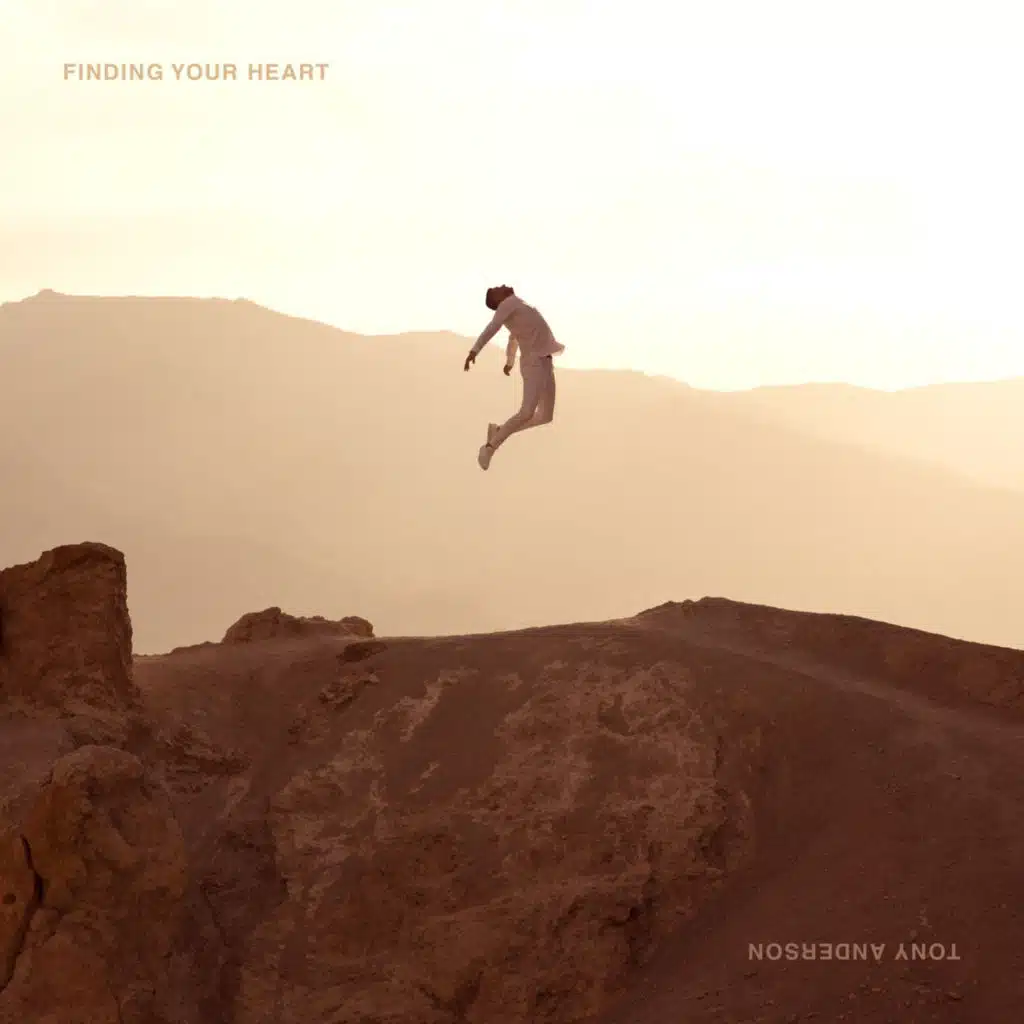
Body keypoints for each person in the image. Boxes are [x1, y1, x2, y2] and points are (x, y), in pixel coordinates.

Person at [463, 285, 565, 470]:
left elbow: (513, 338)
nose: (501, 285)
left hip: (545, 361)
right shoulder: (507, 305)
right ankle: (490, 447)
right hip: (533, 363)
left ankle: (499, 431)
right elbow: (492, 328)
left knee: (545, 416)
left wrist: (510, 361)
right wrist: (475, 350)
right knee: (526, 412)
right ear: (498, 300)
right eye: (496, 289)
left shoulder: (518, 306)